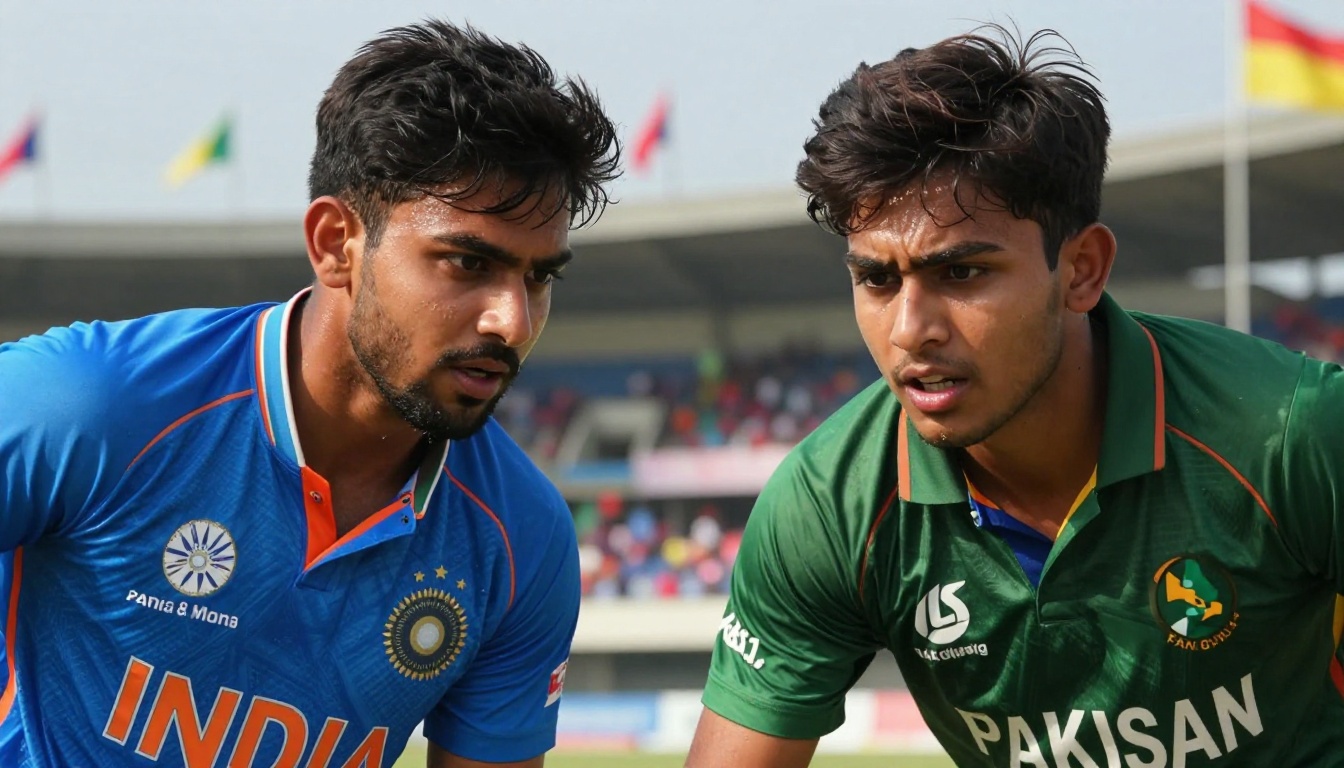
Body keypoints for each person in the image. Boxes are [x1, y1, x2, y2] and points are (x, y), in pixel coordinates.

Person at [686, 26, 1344, 768]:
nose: (910, 331)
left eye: (961, 274)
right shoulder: (830, 505)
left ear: (1083, 270)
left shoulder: (1290, 434)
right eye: (876, 280)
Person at [0, 20, 619, 768]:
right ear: (335, 244)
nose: (512, 321)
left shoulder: (522, 538)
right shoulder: (90, 405)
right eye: (465, 262)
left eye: (539, 277)